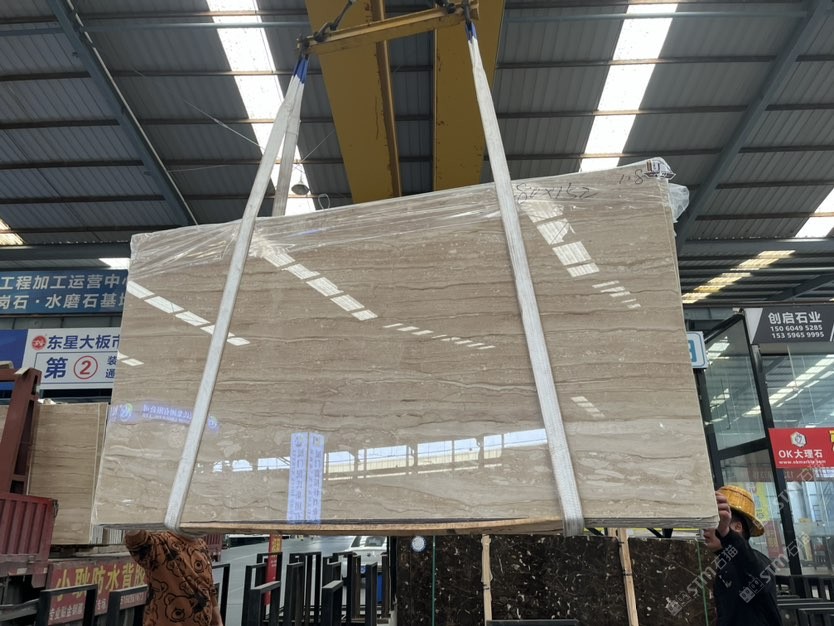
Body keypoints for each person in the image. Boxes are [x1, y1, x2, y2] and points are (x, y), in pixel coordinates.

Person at [702, 486, 782, 626]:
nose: (705, 530)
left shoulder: (757, 562)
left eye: (714, 524)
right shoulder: (723, 564)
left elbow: (751, 567)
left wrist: (726, 533)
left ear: (738, 528)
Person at [125, 531, 223, 626]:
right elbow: (137, 540)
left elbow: (209, 588)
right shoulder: (160, 543)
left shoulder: (202, 545)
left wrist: (218, 621)